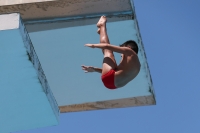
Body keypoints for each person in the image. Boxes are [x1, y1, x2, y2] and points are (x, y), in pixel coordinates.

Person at [82, 16, 140, 89]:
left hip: (110, 78)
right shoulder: (136, 66)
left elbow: (106, 46)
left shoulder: (129, 52)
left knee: (108, 51)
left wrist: (93, 45)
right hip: (112, 86)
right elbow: (115, 73)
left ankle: (102, 24)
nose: (121, 55)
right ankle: (101, 33)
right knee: (112, 61)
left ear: (128, 48)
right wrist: (94, 69)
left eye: (122, 52)